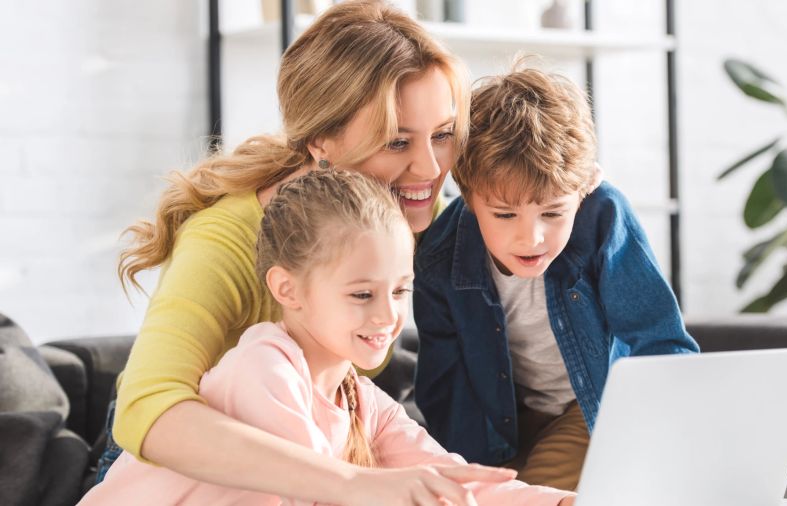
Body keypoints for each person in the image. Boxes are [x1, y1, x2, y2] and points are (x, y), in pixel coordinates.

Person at [105, 2, 511, 504]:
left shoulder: (412, 210)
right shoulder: (225, 239)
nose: (429, 168)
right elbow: (148, 409)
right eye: (396, 142)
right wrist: (352, 484)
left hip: (326, 454)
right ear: (321, 140)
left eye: (443, 135)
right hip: (180, 470)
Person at [81, 171, 576, 506]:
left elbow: (452, 480)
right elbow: (327, 493)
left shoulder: (361, 398)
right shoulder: (262, 367)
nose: (389, 315)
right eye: (362, 294)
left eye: (400, 290)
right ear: (286, 289)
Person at [413, 64, 701, 491]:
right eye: (505, 214)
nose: (531, 237)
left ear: (584, 187)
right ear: (470, 196)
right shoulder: (440, 254)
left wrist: (657, 441)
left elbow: (658, 340)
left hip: (588, 409)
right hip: (499, 422)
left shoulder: (602, 215)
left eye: (552, 212)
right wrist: (470, 479)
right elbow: (445, 387)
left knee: (541, 491)